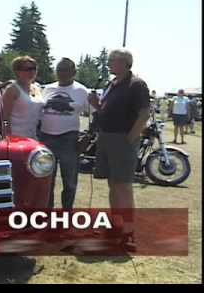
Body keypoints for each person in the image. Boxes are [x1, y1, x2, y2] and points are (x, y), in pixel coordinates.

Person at [89, 48, 150, 251]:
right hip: (106, 138)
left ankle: (129, 234)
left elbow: (143, 114)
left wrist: (130, 139)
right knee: (113, 185)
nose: (108, 64)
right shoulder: (112, 84)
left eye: (112, 60)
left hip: (122, 140)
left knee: (123, 186)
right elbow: (107, 110)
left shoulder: (136, 84)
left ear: (125, 62)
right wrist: (96, 105)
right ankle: (116, 227)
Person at [37, 58, 89, 209]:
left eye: (66, 70)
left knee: (70, 182)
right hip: (45, 138)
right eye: (59, 69)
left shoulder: (81, 91)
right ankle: (48, 215)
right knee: (46, 180)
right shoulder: (47, 89)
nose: (62, 73)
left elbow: (95, 114)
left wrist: (88, 136)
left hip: (69, 139)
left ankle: (66, 214)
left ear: (74, 72)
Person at [2, 56, 43, 139]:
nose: (32, 71)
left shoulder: (37, 88)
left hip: (33, 137)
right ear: (17, 71)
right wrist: (8, 138)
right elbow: (4, 117)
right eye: (27, 69)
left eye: (34, 68)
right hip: (15, 137)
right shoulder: (12, 89)